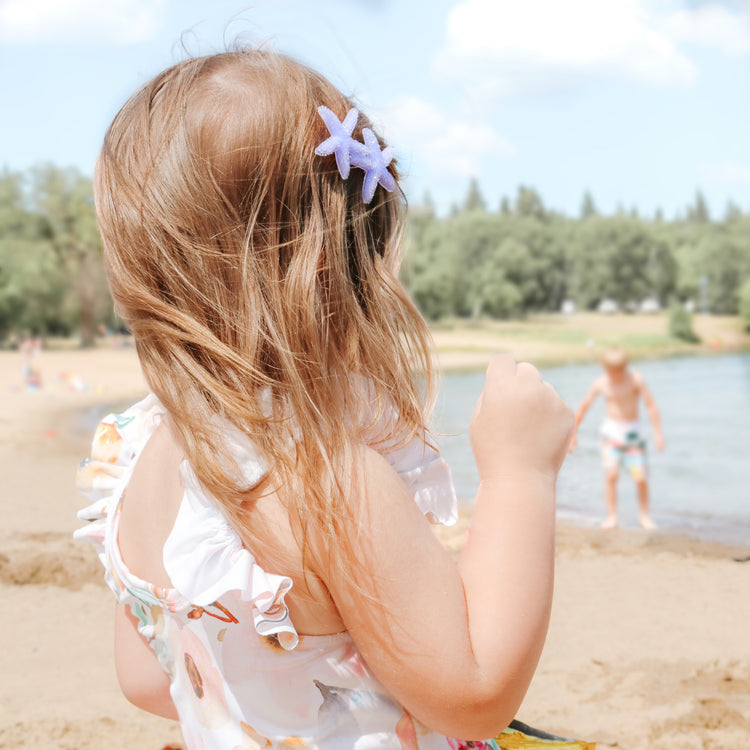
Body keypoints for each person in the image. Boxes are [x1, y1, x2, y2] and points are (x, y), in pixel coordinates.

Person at [75, 49, 582, 750]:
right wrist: (519, 473)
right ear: (339, 267)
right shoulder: (331, 482)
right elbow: (474, 697)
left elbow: (152, 679)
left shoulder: (138, 458)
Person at [569, 347, 664, 530]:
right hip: (611, 433)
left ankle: (644, 516)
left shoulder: (635, 379)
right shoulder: (601, 383)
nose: (616, 377)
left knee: (640, 477)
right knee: (611, 475)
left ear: (625, 368)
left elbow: (650, 405)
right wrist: (574, 433)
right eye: (612, 373)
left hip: (633, 433)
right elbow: (584, 407)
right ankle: (612, 516)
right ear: (605, 369)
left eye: (619, 372)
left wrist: (658, 433)